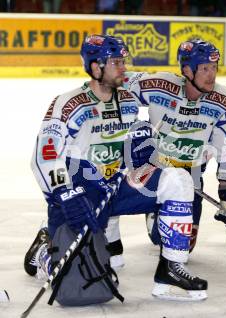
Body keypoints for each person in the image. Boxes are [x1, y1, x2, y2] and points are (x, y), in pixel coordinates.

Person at [24, 34, 207, 303]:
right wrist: (64, 194)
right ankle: (43, 251)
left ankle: (170, 270)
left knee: (178, 179)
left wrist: (143, 142)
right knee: (76, 273)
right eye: (116, 62)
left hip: (116, 189)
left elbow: (134, 136)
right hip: (80, 195)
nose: (124, 68)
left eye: (124, 61)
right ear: (96, 67)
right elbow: (44, 156)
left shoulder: (129, 100)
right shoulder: (70, 104)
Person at [106, 39, 226, 255]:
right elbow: (116, 80)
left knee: (181, 244)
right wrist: (128, 123)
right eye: (205, 69)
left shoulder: (225, 100)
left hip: (190, 176)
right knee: (109, 197)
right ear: (187, 70)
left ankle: (157, 214)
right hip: (154, 171)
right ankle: (148, 209)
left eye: (214, 68)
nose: (212, 75)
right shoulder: (159, 85)